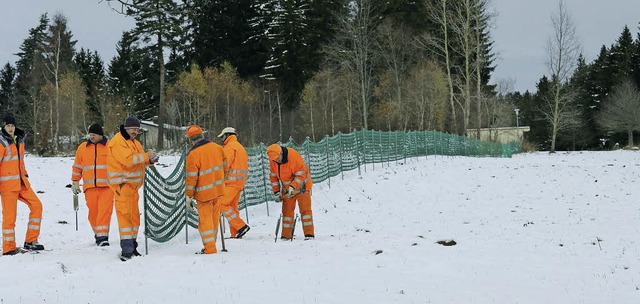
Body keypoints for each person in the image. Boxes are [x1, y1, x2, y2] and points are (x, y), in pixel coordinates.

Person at [107, 115, 158, 261]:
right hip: (122, 186)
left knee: (134, 218)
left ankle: (133, 247)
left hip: (133, 188)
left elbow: (139, 161)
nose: (135, 131)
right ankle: (127, 250)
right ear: (126, 128)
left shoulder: (134, 142)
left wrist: (150, 160)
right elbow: (128, 160)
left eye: (137, 129)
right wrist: (146, 156)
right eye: (133, 129)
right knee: (125, 218)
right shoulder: (118, 142)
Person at [0, 115, 45, 255]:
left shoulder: (19, 139)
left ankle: (30, 241)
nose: (11, 128)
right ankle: (8, 248)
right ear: (4, 127)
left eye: (12, 125)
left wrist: (24, 175)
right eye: (8, 126)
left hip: (22, 183)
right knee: (10, 217)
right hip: (7, 186)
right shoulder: (1, 142)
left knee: (37, 205)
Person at [185, 125, 228, 254]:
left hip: (203, 195)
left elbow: (192, 178)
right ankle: (212, 244)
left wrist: (189, 195)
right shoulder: (217, 148)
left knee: (205, 222)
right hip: (218, 190)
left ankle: (210, 248)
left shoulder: (193, 155)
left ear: (190, 140)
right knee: (214, 220)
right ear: (202, 135)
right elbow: (225, 167)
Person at [71, 123, 114, 247]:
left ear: (101, 135)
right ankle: (98, 234)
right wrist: (75, 181)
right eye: (90, 134)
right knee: (93, 213)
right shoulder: (82, 148)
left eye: (94, 134)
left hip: (107, 186)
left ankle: (102, 237)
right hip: (89, 188)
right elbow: (77, 166)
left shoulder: (110, 146)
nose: (91, 137)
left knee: (104, 212)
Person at [266, 144, 315, 240]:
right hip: (287, 187)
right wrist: (276, 192)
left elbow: (301, 175)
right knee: (287, 211)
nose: (276, 161)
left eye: (277, 158)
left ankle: (309, 234)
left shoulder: (293, 156)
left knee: (305, 210)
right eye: (274, 160)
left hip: (302, 186)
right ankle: (286, 236)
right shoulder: (273, 160)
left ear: (280, 153)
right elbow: (273, 176)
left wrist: (293, 187)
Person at [217, 127, 250, 239]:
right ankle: (235, 232)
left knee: (221, 204)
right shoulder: (240, 147)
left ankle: (241, 226)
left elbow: (225, 165)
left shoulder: (229, 147)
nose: (221, 139)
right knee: (232, 207)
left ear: (227, 135)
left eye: (222, 136)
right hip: (239, 182)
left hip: (231, 182)